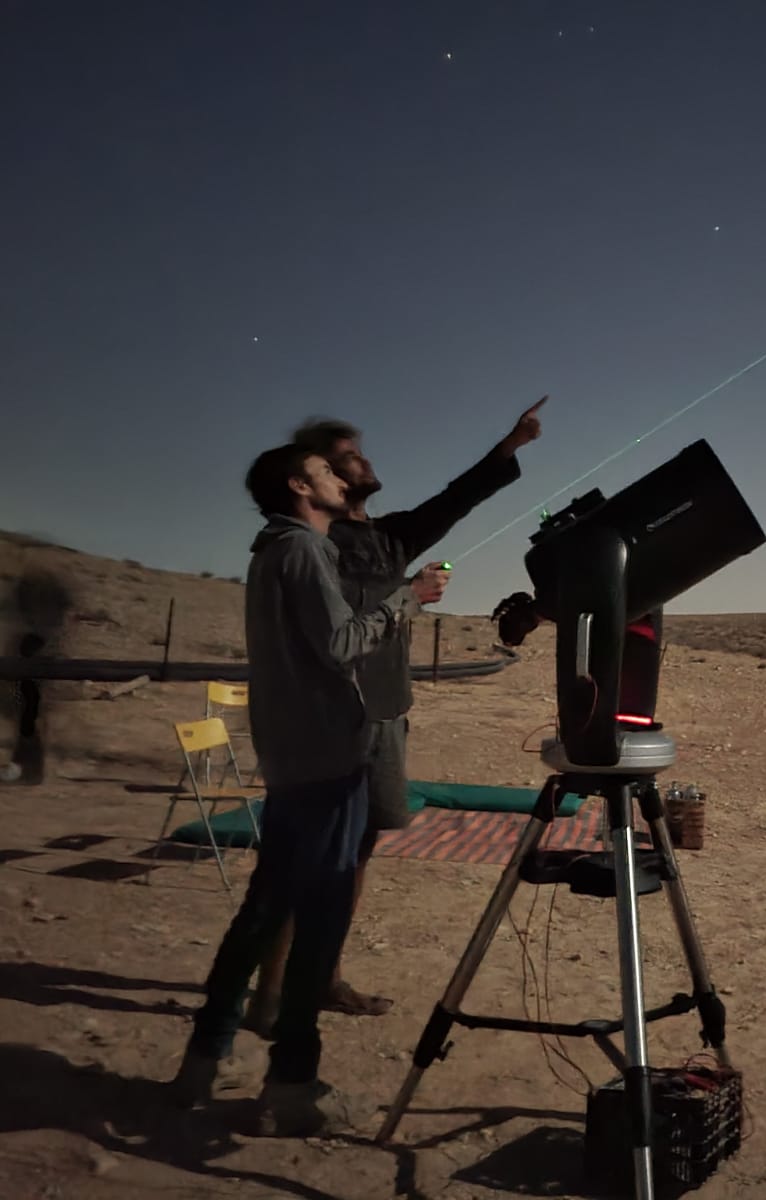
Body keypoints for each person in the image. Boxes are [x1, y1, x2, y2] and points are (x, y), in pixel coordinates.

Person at [169, 445, 449, 1135]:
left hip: (297, 759)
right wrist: (407, 599)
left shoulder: (276, 552)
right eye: (327, 472)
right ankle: (291, 1085)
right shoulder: (302, 553)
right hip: (325, 761)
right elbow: (343, 643)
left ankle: (203, 1061)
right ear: (301, 486)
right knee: (317, 924)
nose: (340, 481)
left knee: (264, 911)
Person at [242, 399, 547, 1029]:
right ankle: (268, 995)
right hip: (329, 724)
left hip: (387, 716)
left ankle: (323, 975)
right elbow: (330, 638)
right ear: (319, 475)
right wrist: (406, 598)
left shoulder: (391, 535)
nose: (366, 461)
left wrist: (509, 445)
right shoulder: (314, 545)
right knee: (307, 861)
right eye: (350, 456)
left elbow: (456, 498)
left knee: (357, 854)